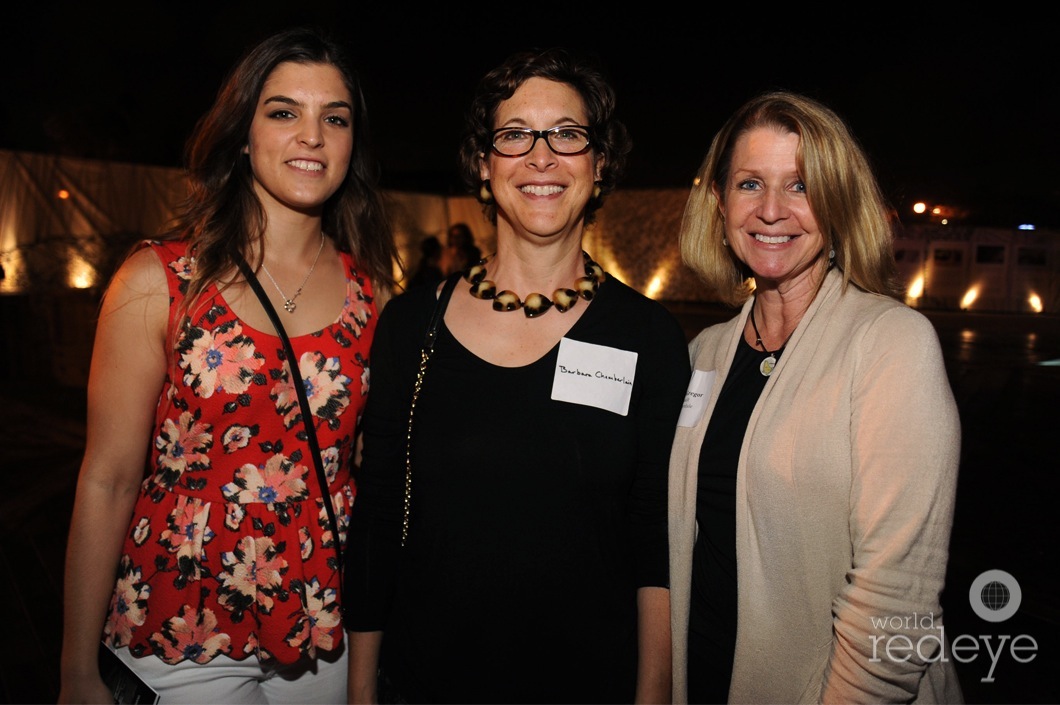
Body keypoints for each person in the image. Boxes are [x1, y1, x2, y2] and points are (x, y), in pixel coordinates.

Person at [58, 26, 398, 704]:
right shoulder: (159, 280)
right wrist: (74, 668)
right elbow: (108, 477)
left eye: (336, 118)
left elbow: (373, 472)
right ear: (243, 133)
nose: (313, 135)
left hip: (322, 623)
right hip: (184, 621)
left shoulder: (374, 295)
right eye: (284, 112)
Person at [344, 47, 691, 704]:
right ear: (482, 163)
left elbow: (656, 541)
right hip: (427, 681)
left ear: (600, 162)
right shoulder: (411, 323)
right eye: (514, 135)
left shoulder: (648, 337)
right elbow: (379, 515)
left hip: (592, 682)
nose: (541, 156)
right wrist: (361, 690)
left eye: (567, 134)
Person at [668, 90, 962, 703]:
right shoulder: (704, 355)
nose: (771, 210)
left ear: (836, 204)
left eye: (799, 186)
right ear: (719, 203)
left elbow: (896, 597)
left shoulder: (890, 346)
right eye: (750, 184)